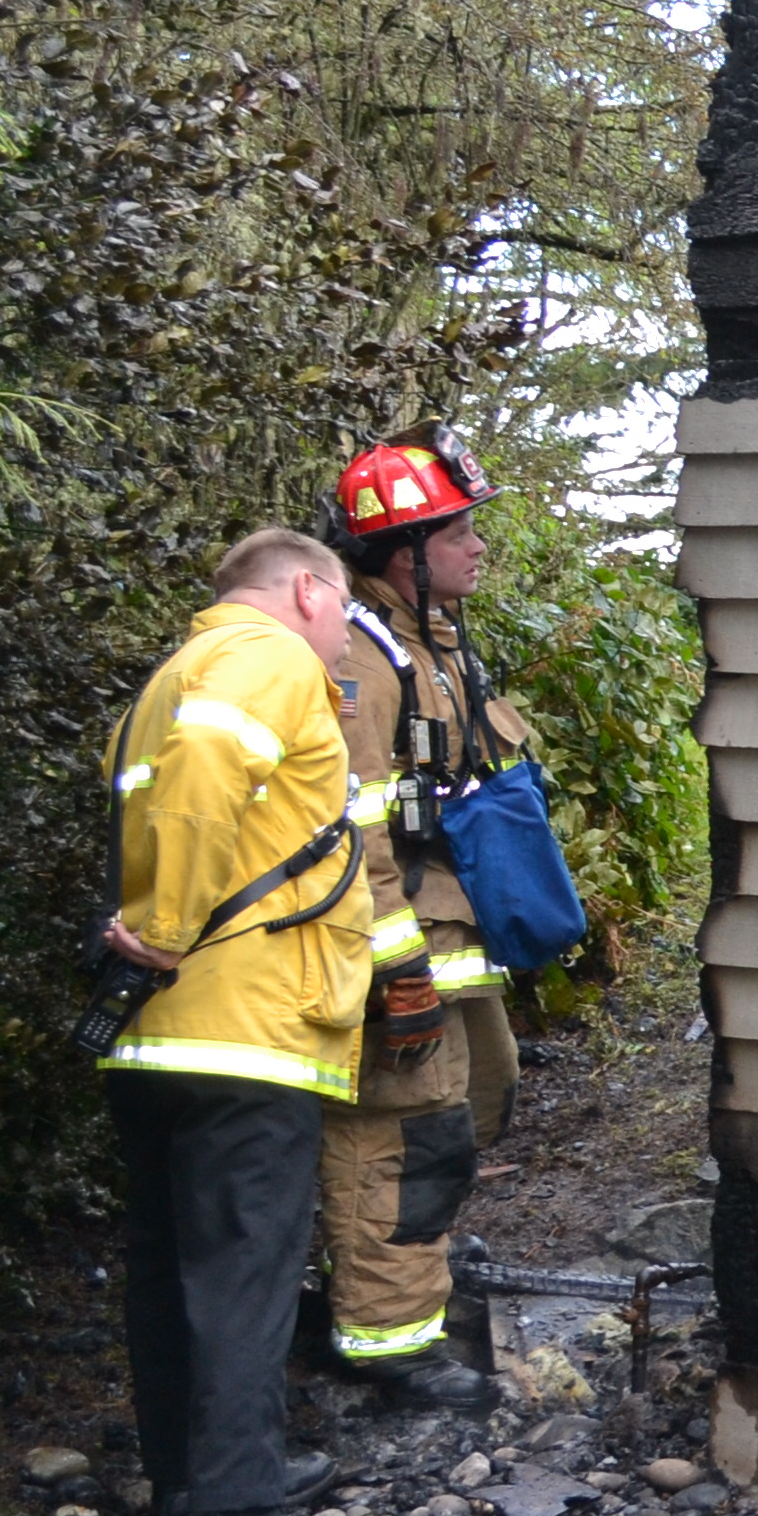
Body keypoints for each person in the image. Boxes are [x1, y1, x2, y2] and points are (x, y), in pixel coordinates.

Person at [98, 529, 373, 1516]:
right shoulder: (268, 660)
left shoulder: (168, 679)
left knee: (173, 1274)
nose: (348, 636)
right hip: (245, 1029)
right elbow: (212, 773)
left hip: (160, 1032)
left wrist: (155, 939)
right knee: (245, 1279)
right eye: (344, 610)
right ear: (308, 590)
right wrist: (168, 924)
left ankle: (194, 1484)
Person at [316, 431, 525, 1409]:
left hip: (451, 930)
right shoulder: (361, 654)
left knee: (481, 1092)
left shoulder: (430, 639)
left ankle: (414, 1267)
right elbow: (351, 829)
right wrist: (390, 967)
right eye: (462, 531)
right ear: (405, 551)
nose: (479, 546)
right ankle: (386, 1344)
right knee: (403, 1128)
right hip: (396, 937)